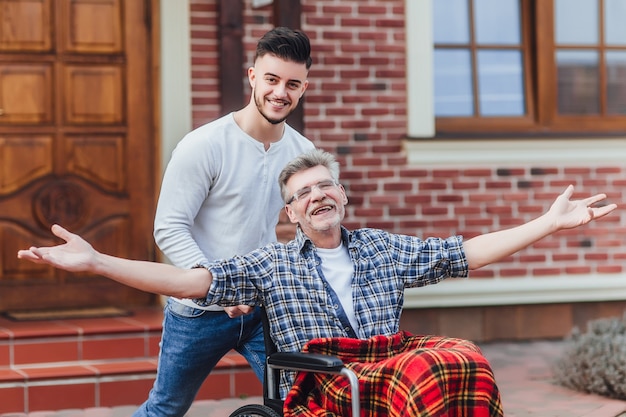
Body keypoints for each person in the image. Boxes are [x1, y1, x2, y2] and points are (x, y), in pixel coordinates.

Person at [18, 149, 616, 416]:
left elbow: (468, 253)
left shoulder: (383, 247)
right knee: (436, 367)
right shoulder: (272, 264)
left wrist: (548, 222)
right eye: (302, 194)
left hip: (386, 363)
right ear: (292, 215)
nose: (315, 196)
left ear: (343, 196)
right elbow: (189, 280)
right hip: (324, 380)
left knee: (467, 358)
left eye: (324, 186)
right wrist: (98, 263)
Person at [138, 27, 315, 416]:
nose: (280, 92)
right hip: (197, 310)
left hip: (262, 306)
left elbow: (309, 229)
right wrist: (219, 285)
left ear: (304, 88)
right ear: (253, 76)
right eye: (271, 79)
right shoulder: (205, 145)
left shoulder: (303, 152)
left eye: (292, 84)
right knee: (165, 409)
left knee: (300, 405)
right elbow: (169, 226)